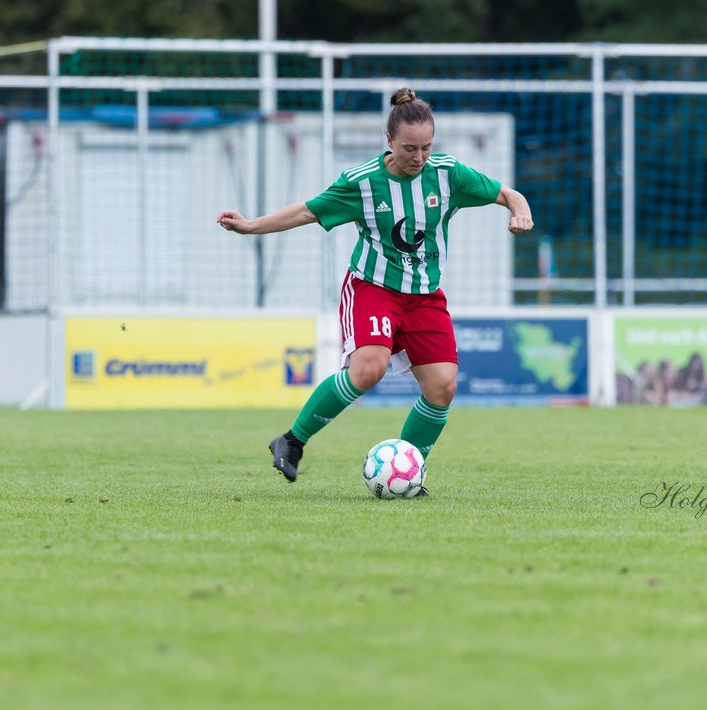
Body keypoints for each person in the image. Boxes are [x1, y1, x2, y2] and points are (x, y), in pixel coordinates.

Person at [217, 88, 534, 492]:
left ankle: (408, 470)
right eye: (408, 148)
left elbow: (507, 193)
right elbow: (306, 211)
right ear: (388, 142)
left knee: (443, 387)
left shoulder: (448, 173)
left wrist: (519, 210)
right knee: (369, 369)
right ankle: (292, 442)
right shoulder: (362, 181)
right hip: (374, 287)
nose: (419, 157)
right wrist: (251, 226)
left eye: (426, 147)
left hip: (425, 296)